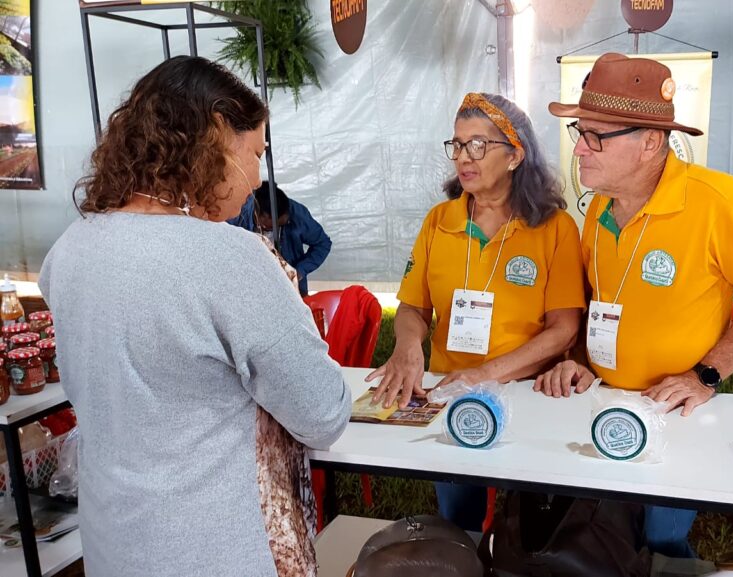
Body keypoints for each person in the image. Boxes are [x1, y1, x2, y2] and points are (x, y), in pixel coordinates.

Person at [38, 56, 352, 577]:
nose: (256, 178)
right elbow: (322, 414)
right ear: (216, 139)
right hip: (212, 547)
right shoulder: (230, 257)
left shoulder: (71, 248)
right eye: (255, 153)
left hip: (112, 540)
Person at [538, 53, 733, 557]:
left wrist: (705, 376)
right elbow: (601, 303)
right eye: (579, 131)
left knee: (659, 537)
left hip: (674, 409)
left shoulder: (715, 201)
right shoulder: (599, 212)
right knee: (586, 524)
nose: (580, 150)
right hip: (603, 398)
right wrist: (582, 363)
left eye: (596, 137)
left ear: (651, 142)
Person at [367, 92, 585, 531]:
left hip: (525, 391)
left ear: (514, 156)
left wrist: (486, 375)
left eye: (479, 145)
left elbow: (563, 329)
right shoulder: (439, 221)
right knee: (457, 516)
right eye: (458, 144)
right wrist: (409, 345)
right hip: (447, 388)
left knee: (530, 520)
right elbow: (412, 305)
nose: (464, 157)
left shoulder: (553, 227)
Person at [231, 181, 332, 296]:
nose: (279, 228)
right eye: (274, 226)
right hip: (250, 284)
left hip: (290, 288)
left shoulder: (296, 213)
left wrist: (300, 271)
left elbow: (322, 243)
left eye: (283, 224)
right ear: (260, 217)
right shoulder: (236, 214)